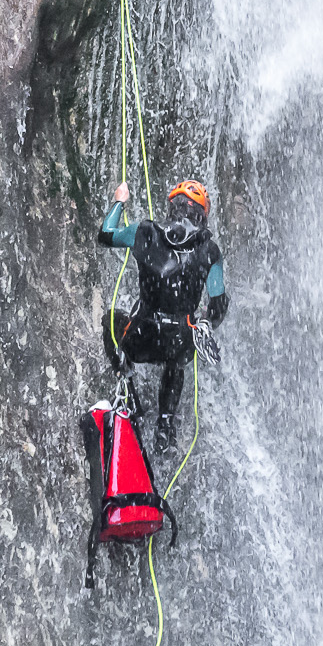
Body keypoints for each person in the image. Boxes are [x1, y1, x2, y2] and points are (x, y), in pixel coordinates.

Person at [98, 179, 228, 451]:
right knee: (178, 357)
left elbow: (106, 234)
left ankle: (128, 392)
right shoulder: (210, 251)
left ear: (172, 208)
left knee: (110, 319)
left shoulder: (144, 232)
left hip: (141, 337)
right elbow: (218, 305)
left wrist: (120, 200)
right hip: (178, 342)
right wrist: (203, 323)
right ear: (202, 215)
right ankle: (165, 425)